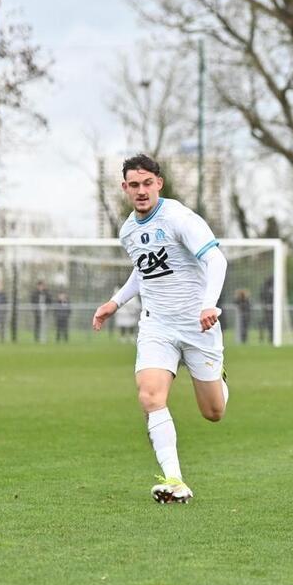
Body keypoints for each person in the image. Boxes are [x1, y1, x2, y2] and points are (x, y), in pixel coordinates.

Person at [92, 153, 229, 505]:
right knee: (150, 396)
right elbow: (143, 269)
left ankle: (219, 379)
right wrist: (115, 302)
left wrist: (208, 305)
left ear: (159, 184)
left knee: (213, 413)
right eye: (133, 185)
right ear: (125, 187)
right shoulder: (127, 231)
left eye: (147, 184)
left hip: (199, 326)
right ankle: (175, 480)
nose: (141, 191)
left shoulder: (179, 218)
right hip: (157, 326)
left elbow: (216, 260)